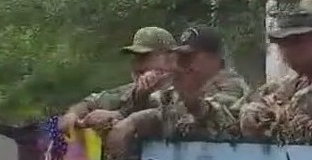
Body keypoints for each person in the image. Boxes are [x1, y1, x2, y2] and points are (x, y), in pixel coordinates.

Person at [107, 26, 250, 150]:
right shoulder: (182, 83)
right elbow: (158, 106)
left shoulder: (232, 86)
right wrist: (140, 97)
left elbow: (219, 118)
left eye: (189, 56)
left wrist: (191, 100)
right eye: (180, 56)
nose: (182, 63)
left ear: (214, 59)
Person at [239, 0, 312, 137]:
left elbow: (293, 114)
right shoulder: (292, 83)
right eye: (281, 42)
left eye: (296, 41)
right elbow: (243, 108)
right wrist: (251, 112)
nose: (286, 50)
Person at [58, 27, 176, 131]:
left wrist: (119, 116)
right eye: (135, 58)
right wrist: (73, 114)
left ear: (169, 58)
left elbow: (171, 118)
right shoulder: (131, 90)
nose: (137, 65)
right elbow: (92, 102)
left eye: (144, 57)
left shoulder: (184, 89)